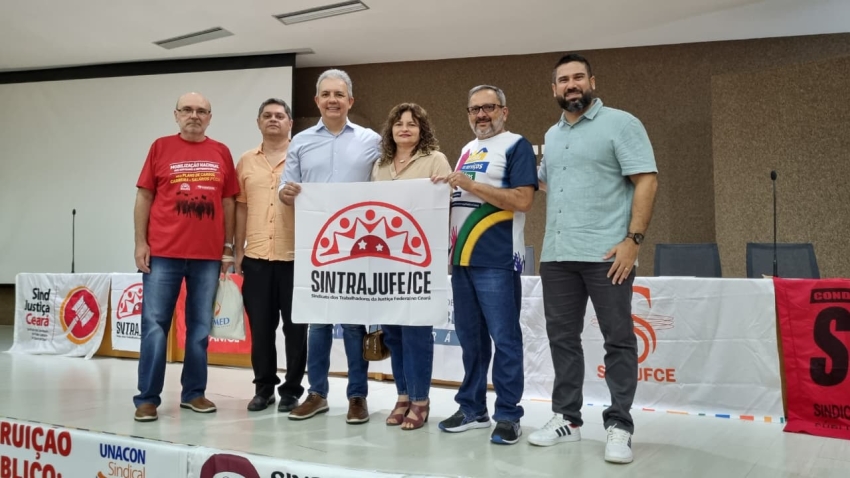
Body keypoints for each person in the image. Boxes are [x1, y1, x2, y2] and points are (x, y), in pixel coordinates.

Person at [528, 53, 658, 465]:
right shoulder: (553, 134)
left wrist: (633, 240)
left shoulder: (621, 124)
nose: (571, 84)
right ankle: (567, 418)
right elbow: (547, 183)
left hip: (607, 255)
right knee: (562, 339)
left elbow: (646, 180)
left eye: (578, 77)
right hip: (557, 254)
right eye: (563, 79)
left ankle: (619, 425)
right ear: (554, 88)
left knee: (618, 339)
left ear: (592, 82)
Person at [435, 85, 538, 445]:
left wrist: (470, 184)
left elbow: (523, 200)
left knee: (505, 340)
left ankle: (508, 415)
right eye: (474, 109)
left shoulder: (516, 145)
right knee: (471, 341)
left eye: (489, 107)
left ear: (504, 112)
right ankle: (472, 409)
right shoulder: (468, 149)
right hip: (461, 258)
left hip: (497, 259)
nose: (481, 114)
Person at [278, 69, 381, 424]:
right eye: (326, 94)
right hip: (316, 246)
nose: (332, 100)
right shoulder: (301, 141)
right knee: (319, 324)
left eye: (339, 94)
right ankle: (317, 394)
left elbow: (388, 182)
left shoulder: (371, 140)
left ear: (350, 100)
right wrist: (287, 192)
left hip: (358, 246)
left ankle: (357, 396)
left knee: (353, 324)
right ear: (317, 101)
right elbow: (285, 187)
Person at [133, 92, 239, 422]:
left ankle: (194, 393)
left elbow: (228, 202)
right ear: (176, 114)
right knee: (154, 326)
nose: (194, 115)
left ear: (210, 117)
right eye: (188, 110)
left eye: (201, 111)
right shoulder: (160, 147)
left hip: (207, 256)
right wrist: (140, 243)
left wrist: (228, 247)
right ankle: (147, 398)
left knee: (200, 328)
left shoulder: (221, 151)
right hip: (163, 253)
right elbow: (144, 197)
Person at [371, 103, 452, 430]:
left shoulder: (435, 159)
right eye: (399, 124)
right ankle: (402, 396)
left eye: (412, 124)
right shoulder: (380, 165)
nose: (405, 129)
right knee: (393, 333)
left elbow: (445, 203)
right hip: (385, 261)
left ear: (422, 130)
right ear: (390, 130)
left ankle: (420, 400)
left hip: (420, 259)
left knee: (416, 332)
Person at [234, 98, 308, 413]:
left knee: (296, 329)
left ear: (290, 123)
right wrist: (236, 249)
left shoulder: (303, 157)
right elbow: (240, 207)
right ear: (258, 122)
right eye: (267, 115)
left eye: (280, 115)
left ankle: (292, 390)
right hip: (256, 259)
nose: (273, 119)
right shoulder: (245, 161)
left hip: (296, 258)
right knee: (261, 330)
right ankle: (264, 389)